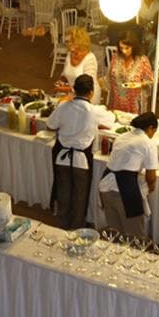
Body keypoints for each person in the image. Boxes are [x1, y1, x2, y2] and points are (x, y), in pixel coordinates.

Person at [46, 74, 113, 229]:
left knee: (63, 193)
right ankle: (76, 228)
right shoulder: (94, 111)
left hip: (62, 158)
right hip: (81, 160)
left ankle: (61, 226)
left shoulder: (63, 106)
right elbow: (110, 121)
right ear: (91, 92)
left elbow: (50, 124)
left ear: (74, 90)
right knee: (79, 197)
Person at [97, 112, 159, 238]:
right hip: (125, 192)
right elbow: (151, 176)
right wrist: (150, 188)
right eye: (154, 131)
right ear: (150, 128)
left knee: (115, 235)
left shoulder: (122, 137)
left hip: (105, 187)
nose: (153, 135)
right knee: (135, 237)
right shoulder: (148, 143)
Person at [103, 33, 153, 114]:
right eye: (121, 48)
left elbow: (149, 80)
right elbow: (109, 77)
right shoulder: (116, 57)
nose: (124, 51)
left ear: (133, 46)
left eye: (127, 48)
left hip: (134, 101)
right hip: (116, 99)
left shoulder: (142, 60)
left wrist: (140, 84)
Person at [57, 26, 101, 104]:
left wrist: (67, 89)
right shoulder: (69, 55)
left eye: (70, 41)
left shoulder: (89, 58)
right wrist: (61, 81)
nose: (67, 44)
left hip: (88, 96)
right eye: (67, 41)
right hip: (73, 93)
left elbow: (86, 85)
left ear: (80, 41)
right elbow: (65, 73)